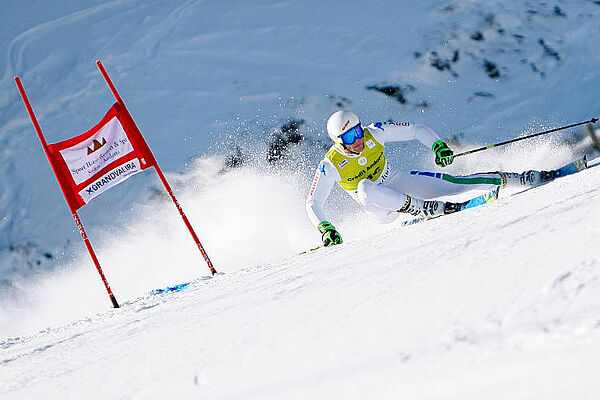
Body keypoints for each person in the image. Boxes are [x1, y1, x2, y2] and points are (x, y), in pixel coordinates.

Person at [306, 110, 557, 247]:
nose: (358, 139)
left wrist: (438, 146)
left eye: (358, 131)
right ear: (339, 142)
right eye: (350, 138)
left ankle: (522, 178)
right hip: (379, 208)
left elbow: (416, 129)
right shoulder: (331, 164)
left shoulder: (375, 133)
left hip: (397, 181)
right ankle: (423, 209)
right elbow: (313, 202)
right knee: (364, 187)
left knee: (455, 183)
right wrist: (325, 227)